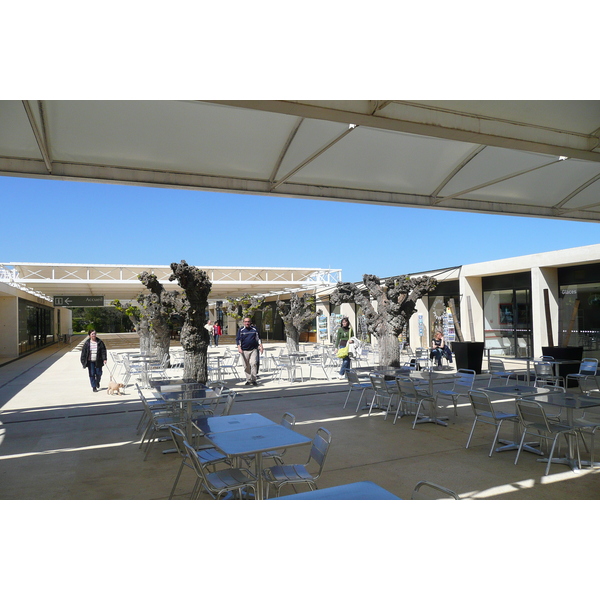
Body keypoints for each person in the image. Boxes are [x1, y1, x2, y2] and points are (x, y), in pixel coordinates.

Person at [236, 317, 263, 385]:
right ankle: (248, 379)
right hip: (244, 350)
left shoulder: (254, 329)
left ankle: (253, 379)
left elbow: (258, 338)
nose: (247, 323)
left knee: (253, 363)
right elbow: (238, 340)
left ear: (250, 322)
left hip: (253, 349)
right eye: (245, 321)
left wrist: (261, 346)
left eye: (248, 321)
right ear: (243, 322)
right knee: (246, 366)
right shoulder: (241, 330)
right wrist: (239, 348)